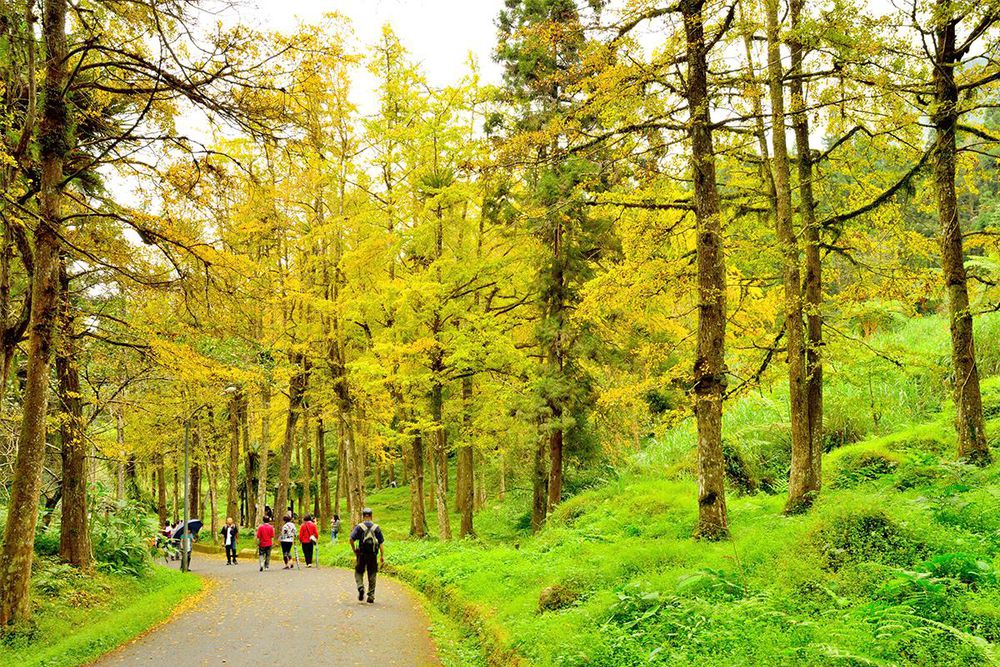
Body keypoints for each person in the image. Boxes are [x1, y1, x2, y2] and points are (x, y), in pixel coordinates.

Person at [349, 508, 384, 604]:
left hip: (361, 554)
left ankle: (360, 587)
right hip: (373, 555)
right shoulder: (376, 527)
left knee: (358, 572)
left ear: (363, 516)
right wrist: (382, 556)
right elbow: (381, 543)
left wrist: (354, 550)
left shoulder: (359, 527)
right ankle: (371, 596)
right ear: (371, 516)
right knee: (372, 573)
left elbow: (351, 539)